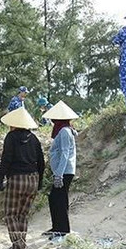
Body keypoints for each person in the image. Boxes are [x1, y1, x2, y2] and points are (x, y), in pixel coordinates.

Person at [0, 107, 45, 249]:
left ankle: (17, 246)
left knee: (11, 214)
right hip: (33, 178)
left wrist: (0, 179)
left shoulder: (11, 137)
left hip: (17, 178)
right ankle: (22, 242)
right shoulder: (34, 138)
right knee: (23, 214)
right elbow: (41, 162)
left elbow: (6, 160)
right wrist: (40, 181)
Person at [41, 101, 79, 238]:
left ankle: (62, 230)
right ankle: (57, 227)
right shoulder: (65, 130)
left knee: (59, 199)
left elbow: (64, 153)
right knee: (54, 198)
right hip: (63, 171)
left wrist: (59, 175)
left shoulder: (64, 131)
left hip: (64, 171)